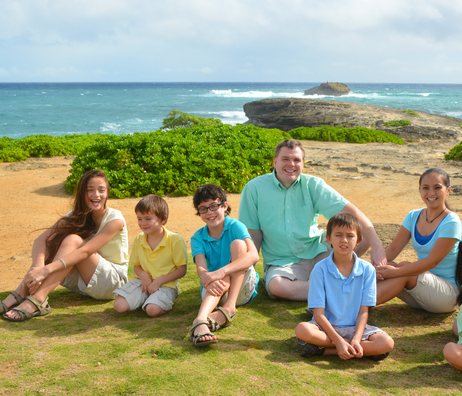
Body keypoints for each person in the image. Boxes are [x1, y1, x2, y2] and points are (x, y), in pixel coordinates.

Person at [238, 139, 386, 302]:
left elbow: (352, 214)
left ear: (303, 163)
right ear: (275, 162)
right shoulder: (254, 188)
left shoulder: (314, 185)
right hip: (283, 262)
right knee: (277, 286)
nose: (291, 164)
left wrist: (377, 246)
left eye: (296, 160)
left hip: (318, 251)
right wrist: (246, 272)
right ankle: (342, 287)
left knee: (363, 237)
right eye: (285, 159)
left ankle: (339, 275)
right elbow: (253, 236)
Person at [0, 169, 129, 321]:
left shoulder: (115, 219)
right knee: (54, 241)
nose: (96, 195)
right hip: (86, 282)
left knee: (73, 240)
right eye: (90, 190)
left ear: (107, 193)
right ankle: (22, 291)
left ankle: (39, 298)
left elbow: (85, 251)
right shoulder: (75, 215)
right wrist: (38, 267)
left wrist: (46, 270)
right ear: (82, 193)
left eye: (102, 190)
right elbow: (41, 240)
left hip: (112, 283)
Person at [294, 213, 394, 360]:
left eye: (350, 236)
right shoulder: (320, 269)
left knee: (386, 343)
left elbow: (363, 312)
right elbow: (318, 314)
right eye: (338, 235)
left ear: (359, 240)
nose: (344, 240)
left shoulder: (367, 270)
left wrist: (356, 338)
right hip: (326, 328)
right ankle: (357, 350)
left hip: (356, 329)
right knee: (302, 329)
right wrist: (338, 340)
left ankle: (324, 351)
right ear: (329, 239)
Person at [375, 167, 462, 313]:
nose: (431, 193)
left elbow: (432, 261)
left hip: (446, 296)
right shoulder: (413, 216)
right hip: (420, 291)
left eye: (437, 187)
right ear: (420, 190)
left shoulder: (451, 221)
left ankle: (354, 308)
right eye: (425, 188)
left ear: (448, 190)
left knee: (403, 269)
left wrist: (393, 272)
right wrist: (373, 268)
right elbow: (393, 249)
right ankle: (344, 301)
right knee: (388, 266)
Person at [188, 184, 259, 347]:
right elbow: (201, 268)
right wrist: (210, 277)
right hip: (214, 291)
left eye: (213, 206)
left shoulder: (236, 226)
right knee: (219, 276)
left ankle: (217, 311)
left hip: (240, 289)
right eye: (203, 209)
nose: (209, 213)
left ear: (224, 206)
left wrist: (220, 272)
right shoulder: (197, 237)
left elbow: (254, 255)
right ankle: (207, 319)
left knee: (239, 245)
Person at [112, 195, 187, 317]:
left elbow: (182, 270)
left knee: (152, 310)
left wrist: (158, 281)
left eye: (148, 219)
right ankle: (147, 298)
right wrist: (144, 276)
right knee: (119, 306)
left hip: (166, 285)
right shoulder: (139, 238)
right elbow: (136, 266)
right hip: (143, 283)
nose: (143, 223)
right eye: (139, 219)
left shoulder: (175, 240)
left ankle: (157, 301)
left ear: (163, 219)